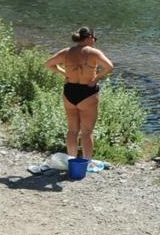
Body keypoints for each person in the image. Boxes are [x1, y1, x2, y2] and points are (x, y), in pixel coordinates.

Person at [44, 27, 114, 168]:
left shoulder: (66, 52)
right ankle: (87, 163)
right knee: (87, 132)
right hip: (87, 92)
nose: (95, 41)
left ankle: (72, 161)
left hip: (70, 91)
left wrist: (64, 73)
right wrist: (96, 78)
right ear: (88, 38)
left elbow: (48, 64)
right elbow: (109, 67)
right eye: (94, 38)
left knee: (72, 130)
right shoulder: (94, 53)